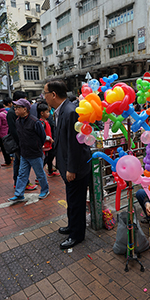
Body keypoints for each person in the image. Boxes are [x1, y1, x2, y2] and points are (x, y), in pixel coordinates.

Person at [44, 79, 91, 249]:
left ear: (54, 94)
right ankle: (72, 226)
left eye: (45, 93)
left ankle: (77, 235)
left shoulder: (70, 111)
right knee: (72, 200)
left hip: (76, 168)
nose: (44, 97)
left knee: (77, 202)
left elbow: (75, 144)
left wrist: (71, 168)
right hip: (68, 165)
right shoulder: (61, 110)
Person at [8, 99, 50, 202]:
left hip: (35, 153)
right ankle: (19, 194)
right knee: (22, 174)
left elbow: (42, 136)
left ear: (25, 109)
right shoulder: (18, 121)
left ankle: (45, 190)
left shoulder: (35, 121)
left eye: (18, 107)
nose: (15, 109)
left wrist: (37, 146)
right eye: (15, 107)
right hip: (24, 153)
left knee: (40, 173)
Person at [6, 91, 37, 190]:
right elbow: (14, 130)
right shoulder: (12, 113)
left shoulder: (15, 111)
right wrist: (20, 142)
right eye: (23, 99)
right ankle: (23, 183)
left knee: (18, 163)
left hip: (21, 142)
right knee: (21, 164)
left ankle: (19, 182)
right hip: (19, 142)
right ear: (16, 100)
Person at [37, 102, 60, 177]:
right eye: (47, 112)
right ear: (42, 113)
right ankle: (38, 177)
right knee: (45, 160)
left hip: (49, 144)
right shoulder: (41, 123)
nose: (49, 113)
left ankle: (50, 171)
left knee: (50, 157)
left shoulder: (46, 121)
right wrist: (49, 139)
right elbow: (42, 134)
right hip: (45, 145)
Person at [0, 102, 12, 166]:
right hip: (7, 132)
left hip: (1, 134)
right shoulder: (6, 112)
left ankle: (7, 161)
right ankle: (10, 158)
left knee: (3, 148)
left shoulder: (0, 114)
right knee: (6, 147)